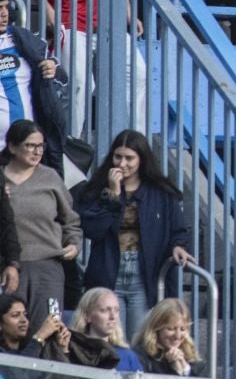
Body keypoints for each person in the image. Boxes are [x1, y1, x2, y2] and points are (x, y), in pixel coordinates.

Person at [77, 129, 192, 334]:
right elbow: (93, 230)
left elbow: (178, 229)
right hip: (109, 272)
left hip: (144, 275)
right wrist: (113, 195)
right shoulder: (97, 189)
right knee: (109, 338)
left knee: (140, 339)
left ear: (141, 160)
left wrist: (178, 246)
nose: (122, 164)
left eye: (129, 158)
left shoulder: (161, 193)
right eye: (118, 156)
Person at [1, 120, 76, 322]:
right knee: (10, 328)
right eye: (30, 145)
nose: (37, 151)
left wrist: (73, 243)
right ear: (13, 147)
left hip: (46, 266)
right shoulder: (1, 178)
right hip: (8, 266)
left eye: (41, 146)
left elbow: (70, 218)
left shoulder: (50, 177)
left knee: (48, 326)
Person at [0, 0, 60, 165]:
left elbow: (61, 77)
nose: (4, 14)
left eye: (6, 7)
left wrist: (52, 67)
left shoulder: (22, 39)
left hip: (28, 149)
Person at [135, 297, 203, 376]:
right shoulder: (140, 356)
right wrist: (172, 368)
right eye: (171, 329)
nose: (177, 336)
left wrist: (186, 369)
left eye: (182, 329)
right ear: (156, 328)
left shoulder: (193, 359)